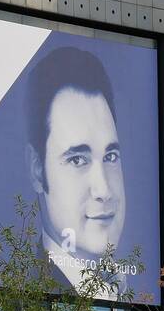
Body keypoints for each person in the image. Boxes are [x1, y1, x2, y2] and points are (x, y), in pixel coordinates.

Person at [23, 46, 129, 294]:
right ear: (38, 170)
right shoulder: (27, 297)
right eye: (78, 160)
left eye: (110, 156)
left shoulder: (137, 297)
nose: (103, 189)